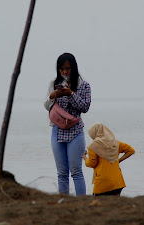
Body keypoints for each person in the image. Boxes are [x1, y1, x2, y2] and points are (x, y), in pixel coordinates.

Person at [44, 53, 91, 196]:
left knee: (76, 171)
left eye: (67, 68)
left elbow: (85, 107)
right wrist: (52, 96)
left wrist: (71, 94)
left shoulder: (84, 85)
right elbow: (47, 106)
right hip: (57, 130)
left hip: (76, 131)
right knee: (62, 173)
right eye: (62, 69)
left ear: (73, 68)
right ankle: (64, 203)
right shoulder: (54, 83)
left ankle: (81, 202)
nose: (64, 72)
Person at [83, 123, 135, 196]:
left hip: (102, 183)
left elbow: (91, 164)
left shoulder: (93, 146)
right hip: (118, 182)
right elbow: (131, 151)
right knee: (115, 206)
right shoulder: (116, 143)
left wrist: (84, 157)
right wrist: (118, 161)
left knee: (98, 205)